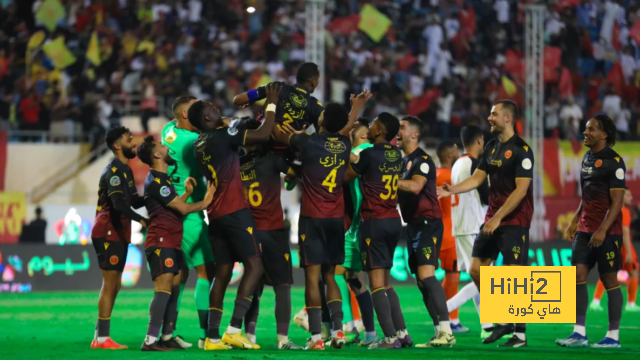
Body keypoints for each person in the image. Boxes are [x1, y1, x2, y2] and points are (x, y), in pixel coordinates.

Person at [275, 91, 371, 350]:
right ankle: (339, 332)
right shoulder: (344, 144)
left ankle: (317, 337)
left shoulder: (307, 142)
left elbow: (277, 136)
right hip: (335, 220)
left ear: (322, 121)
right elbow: (345, 127)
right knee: (331, 277)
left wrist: (275, 112)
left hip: (312, 219)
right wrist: (357, 107)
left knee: (313, 278)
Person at [189, 83, 281, 350]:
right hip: (234, 211)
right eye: (214, 109)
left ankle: (212, 338)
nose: (219, 110)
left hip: (215, 215)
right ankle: (233, 328)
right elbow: (263, 134)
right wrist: (272, 103)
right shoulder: (221, 135)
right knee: (256, 266)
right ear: (207, 117)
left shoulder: (198, 144)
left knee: (224, 272)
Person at [437, 100, 534, 347]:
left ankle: (519, 335)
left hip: (514, 221)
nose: (489, 117)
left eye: (494, 114)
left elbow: (522, 190)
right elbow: (478, 178)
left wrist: (499, 216)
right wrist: (452, 190)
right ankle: (501, 319)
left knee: (515, 277)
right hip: (492, 219)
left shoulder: (522, 150)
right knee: (476, 269)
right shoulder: (491, 147)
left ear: (508, 118)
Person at [135, 136, 215, 351]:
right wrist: (206, 201)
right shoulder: (157, 181)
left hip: (172, 240)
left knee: (176, 286)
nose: (167, 147)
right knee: (163, 289)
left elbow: (173, 205)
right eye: (163, 146)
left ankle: (167, 335)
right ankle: (150, 340)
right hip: (161, 241)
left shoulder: (163, 179)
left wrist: (187, 193)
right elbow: (181, 209)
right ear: (157, 155)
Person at [557, 115, 627, 348]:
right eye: (586, 129)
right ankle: (579, 333)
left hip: (607, 232)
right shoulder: (587, 157)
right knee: (577, 277)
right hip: (584, 230)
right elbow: (586, 195)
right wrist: (576, 219)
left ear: (604, 135)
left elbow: (617, 202)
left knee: (609, 282)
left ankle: (613, 337)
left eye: (591, 129)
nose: (585, 132)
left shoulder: (614, 161)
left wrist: (603, 230)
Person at [344, 112, 408, 349]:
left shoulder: (369, 154)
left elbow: (348, 174)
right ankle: (402, 333)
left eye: (372, 124)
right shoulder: (396, 154)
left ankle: (389, 338)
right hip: (393, 219)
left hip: (374, 221)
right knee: (387, 282)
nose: (369, 127)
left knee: (377, 284)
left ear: (379, 131)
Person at [236, 118, 301, 350]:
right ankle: (282, 339)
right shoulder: (272, 160)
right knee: (282, 285)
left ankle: (249, 336)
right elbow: (298, 172)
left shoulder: (236, 163)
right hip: (272, 230)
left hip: (247, 231)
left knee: (253, 284)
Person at [161, 95, 215, 349]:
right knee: (205, 272)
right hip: (191, 214)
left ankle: (168, 332)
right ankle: (206, 334)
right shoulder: (195, 142)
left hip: (170, 212)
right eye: (197, 109)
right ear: (186, 114)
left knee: (178, 276)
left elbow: (176, 122)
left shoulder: (168, 130)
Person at [396, 116, 455, 348]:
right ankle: (439, 331)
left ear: (414, 134)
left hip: (428, 223)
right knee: (421, 281)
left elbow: (416, 186)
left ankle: (447, 330)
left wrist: (389, 179)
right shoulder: (404, 162)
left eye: (402, 128)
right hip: (413, 225)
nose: (397, 132)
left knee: (427, 276)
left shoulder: (422, 160)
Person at [90, 126, 148, 350]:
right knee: (110, 284)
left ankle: (99, 336)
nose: (133, 141)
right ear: (116, 146)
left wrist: (158, 195)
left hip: (118, 231)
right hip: (107, 230)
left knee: (114, 286)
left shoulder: (126, 170)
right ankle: (103, 339)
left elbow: (134, 201)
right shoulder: (113, 171)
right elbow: (118, 205)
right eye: (128, 138)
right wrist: (142, 221)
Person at [444, 125, 493, 338]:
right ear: (480, 141)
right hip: (474, 225)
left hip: (461, 225)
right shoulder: (474, 164)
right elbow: (487, 197)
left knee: (479, 278)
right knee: (485, 277)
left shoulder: (457, 164)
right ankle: (443, 309)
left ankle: (488, 326)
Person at [233, 62, 324, 162]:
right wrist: (302, 138)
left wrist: (254, 98)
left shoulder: (276, 87)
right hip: (282, 159)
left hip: (255, 147)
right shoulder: (315, 106)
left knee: (241, 123)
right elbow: (323, 140)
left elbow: (237, 100)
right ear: (313, 81)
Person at [590, 188, 639, 312]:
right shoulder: (624, 211)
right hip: (621, 245)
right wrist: (628, 251)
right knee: (633, 272)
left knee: (607, 273)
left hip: (609, 243)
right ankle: (631, 304)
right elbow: (625, 232)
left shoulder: (609, 210)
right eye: (628, 195)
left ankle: (595, 301)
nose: (631, 198)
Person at [435, 140, 466, 333]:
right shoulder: (450, 177)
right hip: (451, 234)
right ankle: (451, 319)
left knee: (450, 276)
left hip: (440, 232)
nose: (459, 154)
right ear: (449, 156)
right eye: (456, 151)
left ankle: (444, 315)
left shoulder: (436, 176)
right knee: (453, 277)